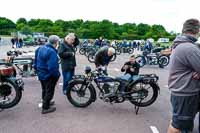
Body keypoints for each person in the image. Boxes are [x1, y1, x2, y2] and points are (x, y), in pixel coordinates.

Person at [167, 18, 200, 133]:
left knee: (178, 121)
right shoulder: (189, 48)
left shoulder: (180, 44)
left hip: (181, 91)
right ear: (198, 30)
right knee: (178, 126)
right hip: (185, 93)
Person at [34, 35, 60, 114]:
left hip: (41, 72)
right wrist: (57, 75)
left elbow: (35, 61)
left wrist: (37, 70)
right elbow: (53, 67)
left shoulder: (40, 48)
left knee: (44, 89)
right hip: (48, 74)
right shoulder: (51, 51)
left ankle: (45, 101)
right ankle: (45, 107)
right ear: (56, 43)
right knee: (49, 90)